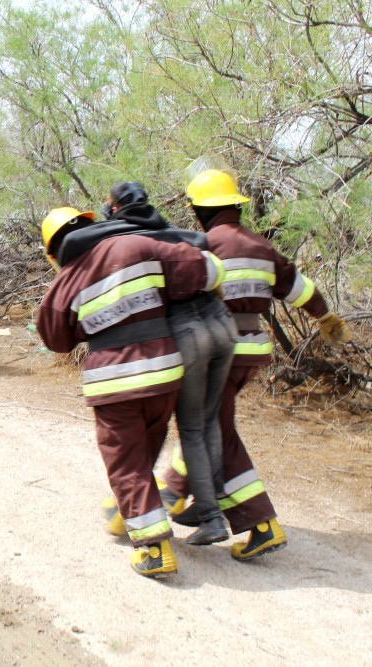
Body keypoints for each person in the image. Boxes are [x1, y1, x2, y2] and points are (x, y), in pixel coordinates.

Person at [158, 161, 351, 561]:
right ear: (237, 208)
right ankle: (174, 490)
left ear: (200, 211)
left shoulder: (203, 245)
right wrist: (325, 316)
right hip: (254, 350)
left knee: (216, 430)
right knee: (208, 419)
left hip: (218, 350)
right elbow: (301, 289)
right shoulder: (262, 247)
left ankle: (259, 522)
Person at [36, 206, 226, 578]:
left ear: (54, 253)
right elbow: (209, 269)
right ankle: (133, 513)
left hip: (114, 384)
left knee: (126, 464)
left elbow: (54, 338)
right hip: (164, 375)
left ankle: (153, 548)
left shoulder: (67, 281)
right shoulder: (140, 245)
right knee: (145, 453)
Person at [99, 181, 237, 547]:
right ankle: (207, 503)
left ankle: (209, 516)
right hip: (223, 322)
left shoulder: (125, 242)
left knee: (188, 426)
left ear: (114, 209)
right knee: (208, 420)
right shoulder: (172, 232)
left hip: (188, 332)